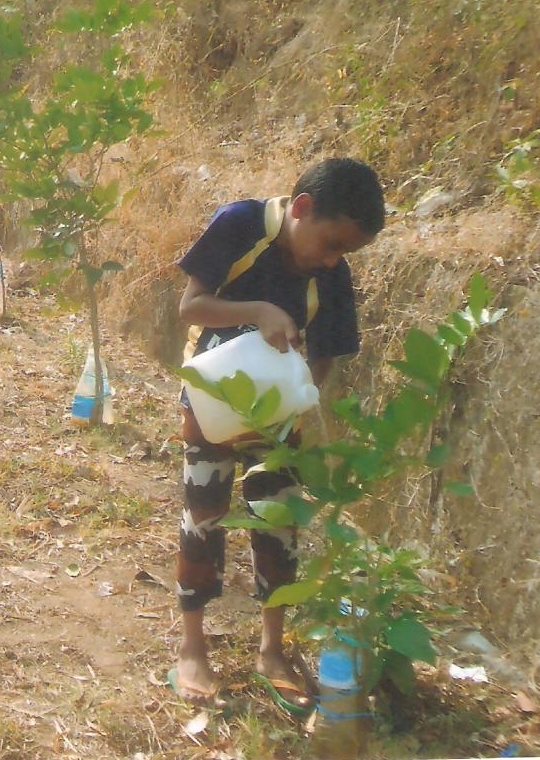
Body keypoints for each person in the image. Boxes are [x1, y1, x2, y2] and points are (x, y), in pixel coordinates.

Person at [169, 158, 386, 711]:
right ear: (304, 208)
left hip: (279, 418)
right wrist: (261, 310)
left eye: (345, 253)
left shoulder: (331, 274)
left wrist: (296, 403)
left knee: (279, 521)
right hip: (213, 400)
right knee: (204, 513)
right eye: (331, 244)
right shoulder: (241, 224)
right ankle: (193, 647)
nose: (333, 260)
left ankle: (272, 648)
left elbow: (324, 358)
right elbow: (190, 305)